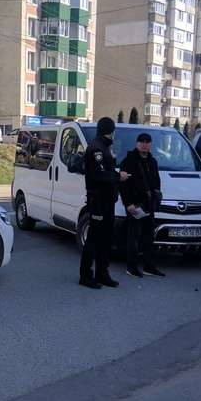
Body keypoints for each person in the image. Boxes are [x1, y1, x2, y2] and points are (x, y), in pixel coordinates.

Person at [79, 117, 130, 290]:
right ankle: (86, 275)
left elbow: (107, 170)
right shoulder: (96, 148)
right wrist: (118, 176)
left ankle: (102, 273)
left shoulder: (105, 147)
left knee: (106, 238)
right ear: (111, 130)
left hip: (108, 200)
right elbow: (99, 174)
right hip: (98, 200)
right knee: (94, 238)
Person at [119, 132, 165, 278]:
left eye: (147, 142)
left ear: (151, 145)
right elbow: (123, 185)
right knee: (134, 237)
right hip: (135, 205)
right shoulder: (129, 161)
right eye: (142, 141)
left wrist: (156, 197)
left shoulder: (153, 161)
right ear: (137, 143)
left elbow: (156, 182)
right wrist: (128, 204)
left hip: (148, 205)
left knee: (148, 237)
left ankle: (149, 266)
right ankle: (131, 267)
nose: (144, 144)